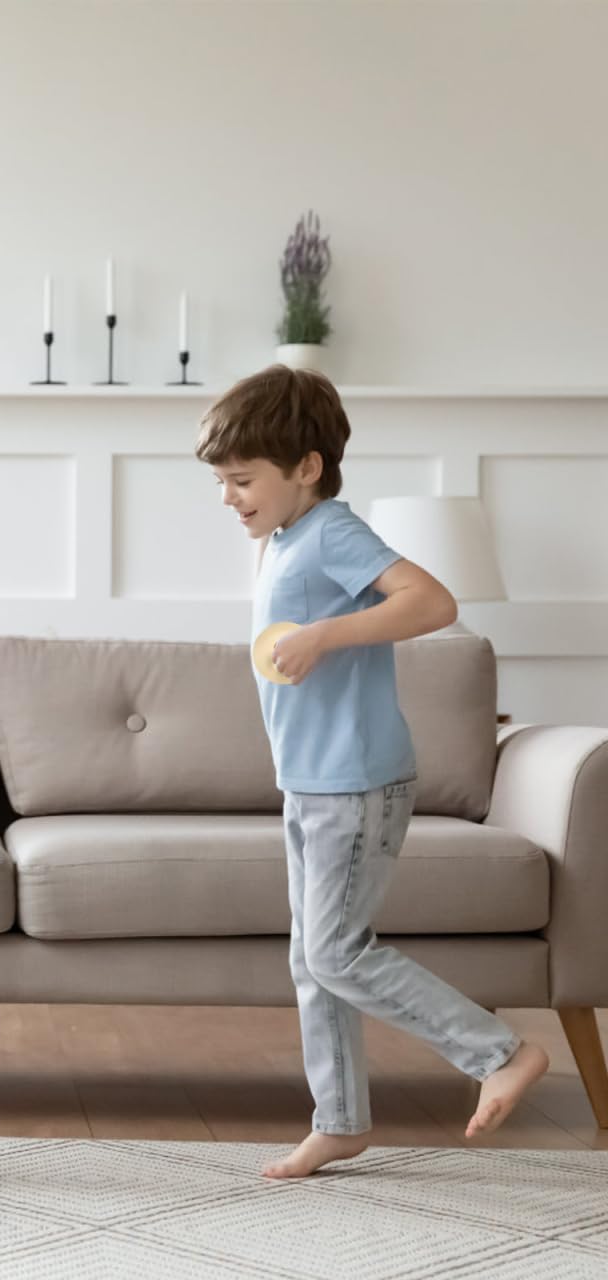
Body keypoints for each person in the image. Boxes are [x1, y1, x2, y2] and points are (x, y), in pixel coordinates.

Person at [195, 364, 548, 1178]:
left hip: (354, 784)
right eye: (222, 481)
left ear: (307, 468)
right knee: (311, 958)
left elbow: (432, 603)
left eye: (242, 480)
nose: (229, 497)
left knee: (337, 953)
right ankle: (342, 1119)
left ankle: (499, 1052)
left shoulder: (333, 531)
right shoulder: (288, 541)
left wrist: (323, 637)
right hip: (313, 782)